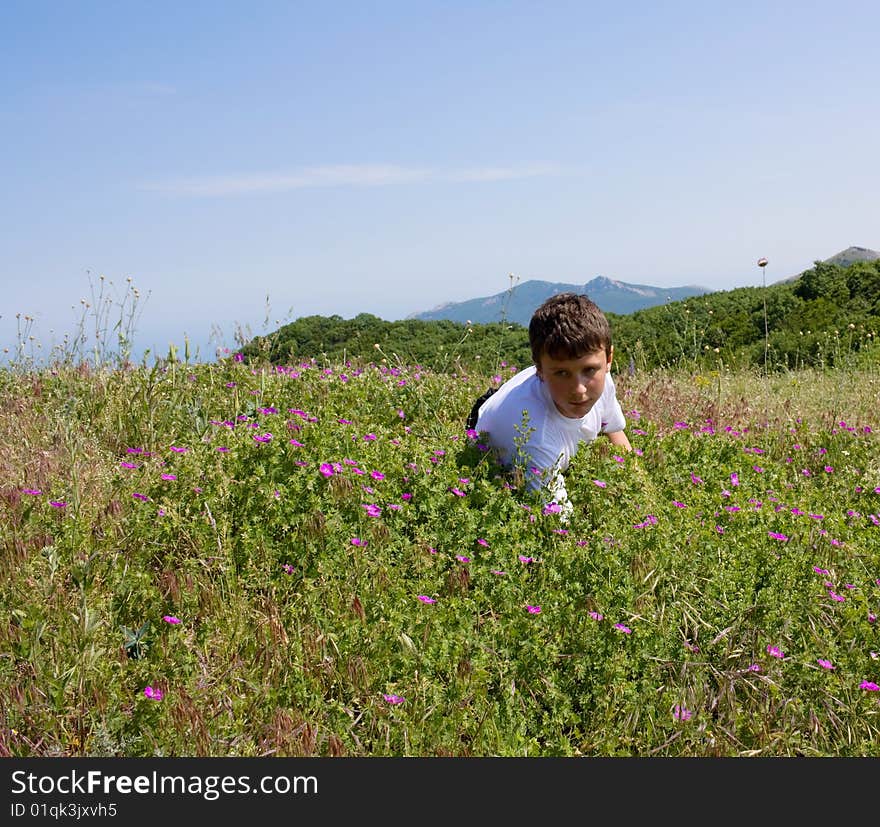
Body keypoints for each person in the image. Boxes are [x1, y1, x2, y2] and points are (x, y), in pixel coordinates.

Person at [470, 292, 632, 518]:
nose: (579, 389)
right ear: (539, 369)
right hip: (495, 421)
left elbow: (616, 434)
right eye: (562, 373)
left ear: (608, 360)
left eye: (589, 370)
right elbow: (557, 525)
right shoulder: (533, 437)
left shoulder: (603, 380)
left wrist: (635, 485)